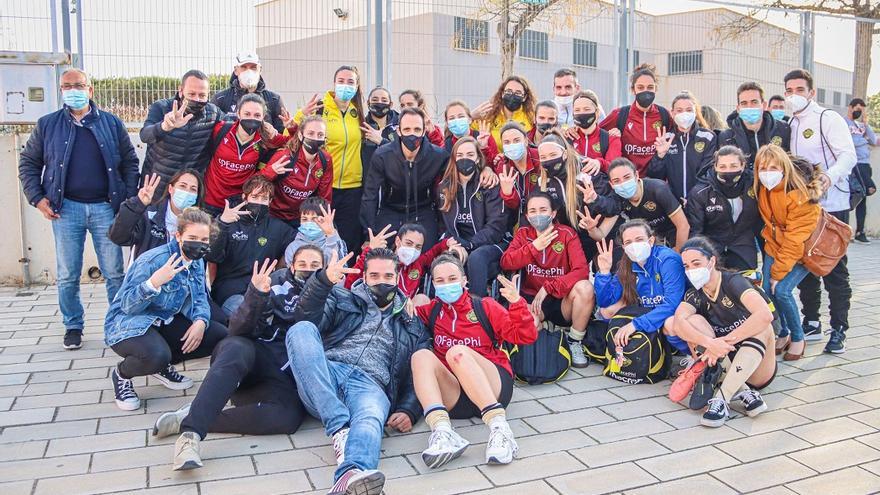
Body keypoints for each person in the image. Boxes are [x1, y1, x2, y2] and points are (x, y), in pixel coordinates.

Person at [152, 248, 347, 470]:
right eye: (302, 263)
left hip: (283, 377)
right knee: (236, 346)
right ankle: (191, 434)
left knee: (288, 418)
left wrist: (322, 284)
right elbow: (237, 329)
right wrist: (255, 295)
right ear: (292, 266)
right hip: (252, 357)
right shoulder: (274, 283)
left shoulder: (331, 295)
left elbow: (309, 319)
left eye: (315, 265)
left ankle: (194, 414)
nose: (309, 268)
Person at [284, 248, 430, 495]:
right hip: (327, 375)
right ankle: (339, 426)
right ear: (364, 276)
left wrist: (409, 409)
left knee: (371, 416)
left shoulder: (411, 320)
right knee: (301, 330)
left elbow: (420, 367)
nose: (381, 282)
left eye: (387, 276)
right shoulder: (343, 298)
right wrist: (322, 282)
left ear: (397, 278)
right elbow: (306, 314)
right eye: (374, 276)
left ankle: (352, 476)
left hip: (371, 384)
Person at [18, 68, 139, 350]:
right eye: (67, 86)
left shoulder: (111, 123)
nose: (74, 90)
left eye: (79, 85)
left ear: (90, 90)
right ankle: (73, 326)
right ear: (61, 91)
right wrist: (37, 198)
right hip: (65, 209)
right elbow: (28, 163)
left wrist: (127, 201)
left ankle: (118, 323)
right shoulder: (47, 125)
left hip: (105, 209)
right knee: (68, 273)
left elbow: (130, 163)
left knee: (114, 272)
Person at [412, 255, 537, 467]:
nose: (447, 284)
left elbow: (526, 336)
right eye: (440, 281)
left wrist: (517, 303)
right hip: (456, 396)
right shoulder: (431, 311)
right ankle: (443, 432)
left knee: (457, 352)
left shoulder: (484, 306)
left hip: (493, 387)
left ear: (464, 280)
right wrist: (406, 301)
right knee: (420, 356)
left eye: (452, 278)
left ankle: (501, 430)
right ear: (433, 285)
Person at [104, 208, 228, 411]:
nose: (199, 243)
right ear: (178, 236)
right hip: (127, 325)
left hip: (162, 321)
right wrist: (153, 283)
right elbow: (127, 306)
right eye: (192, 237)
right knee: (156, 355)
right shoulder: (153, 260)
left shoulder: (196, 261)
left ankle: (161, 367)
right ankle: (123, 375)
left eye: (204, 239)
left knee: (217, 334)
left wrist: (200, 321)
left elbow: (199, 298)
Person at [667, 237, 776, 427]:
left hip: (757, 366)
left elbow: (765, 315)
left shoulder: (734, 281)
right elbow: (677, 323)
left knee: (763, 327)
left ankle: (722, 400)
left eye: (696, 263)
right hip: (725, 361)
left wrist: (724, 342)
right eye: (686, 266)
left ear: (712, 262)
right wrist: (710, 344)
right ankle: (742, 391)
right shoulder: (696, 292)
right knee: (691, 321)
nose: (691, 270)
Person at [786, 68, 858, 353]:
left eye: (799, 90)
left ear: (811, 93)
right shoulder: (789, 123)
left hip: (832, 207)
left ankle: (839, 328)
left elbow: (848, 155)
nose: (794, 95)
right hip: (802, 208)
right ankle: (812, 321)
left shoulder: (827, 118)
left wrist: (829, 177)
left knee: (834, 269)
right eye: (789, 90)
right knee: (806, 266)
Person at [500, 192, 595, 368]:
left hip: (562, 300)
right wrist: (533, 248)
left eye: (543, 210)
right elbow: (506, 262)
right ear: (527, 216)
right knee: (530, 327)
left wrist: (549, 288)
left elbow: (581, 270)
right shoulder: (523, 234)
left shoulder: (567, 234)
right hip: (533, 301)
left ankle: (575, 341)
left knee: (585, 287)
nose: (538, 215)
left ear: (552, 213)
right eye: (533, 211)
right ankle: (545, 327)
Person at [755, 145, 821, 360]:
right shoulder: (764, 189)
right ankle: (782, 333)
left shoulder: (799, 195)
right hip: (775, 246)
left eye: (773, 167)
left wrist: (778, 273)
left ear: (785, 168)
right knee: (766, 290)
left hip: (803, 251)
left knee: (781, 290)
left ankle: (798, 337)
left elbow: (795, 240)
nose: (767, 172)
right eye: (763, 167)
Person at [293, 65, 366, 253]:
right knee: (320, 236)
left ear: (357, 86)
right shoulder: (321, 108)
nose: (345, 85)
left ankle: (346, 280)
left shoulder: (357, 113)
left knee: (349, 239)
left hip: (353, 188)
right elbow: (291, 135)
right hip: (324, 185)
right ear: (334, 84)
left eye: (350, 82)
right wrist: (301, 115)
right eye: (341, 81)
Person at [593, 219, 690, 356]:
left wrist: (635, 325)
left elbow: (672, 303)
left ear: (650, 241)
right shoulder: (627, 263)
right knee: (606, 310)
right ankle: (647, 346)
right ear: (624, 248)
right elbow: (604, 301)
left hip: (673, 313)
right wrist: (604, 273)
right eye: (628, 242)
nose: (634, 246)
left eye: (639, 239)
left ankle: (690, 354)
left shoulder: (667, 259)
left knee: (670, 323)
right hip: (648, 311)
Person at [207, 175, 296, 317]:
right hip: (230, 290)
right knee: (244, 313)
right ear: (245, 197)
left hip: (263, 289)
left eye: (264, 199)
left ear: (270, 201)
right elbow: (211, 255)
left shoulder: (278, 228)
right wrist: (222, 224)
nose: (259, 202)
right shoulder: (229, 222)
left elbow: (302, 244)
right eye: (255, 197)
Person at [361, 107, 448, 247]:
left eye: (417, 129)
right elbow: (370, 196)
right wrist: (368, 234)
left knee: (427, 252)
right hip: (391, 209)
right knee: (384, 251)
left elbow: (448, 190)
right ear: (398, 131)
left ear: (424, 131)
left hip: (423, 210)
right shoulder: (382, 156)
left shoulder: (438, 156)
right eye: (407, 129)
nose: (412, 135)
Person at [436, 137, 508, 296]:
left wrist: (469, 245)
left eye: (470, 154)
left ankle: (477, 310)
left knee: (476, 258)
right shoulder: (444, 188)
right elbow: (442, 225)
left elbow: (496, 227)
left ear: (477, 158)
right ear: (454, 158)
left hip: (491, 243)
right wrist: (453, 244)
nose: (464, 158)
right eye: (460, 155)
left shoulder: (489, 184)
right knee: (446, 258)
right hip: (459, 242)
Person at [140, 69, 223, 200]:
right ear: (181, 91)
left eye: (202, 95)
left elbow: (232, 130)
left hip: (189, 190)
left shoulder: (213, 113)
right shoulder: (161, 108)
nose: (197, 99)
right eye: (191, 94)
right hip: (157, 187)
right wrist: (165, 126)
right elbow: (145, 135)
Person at [202, 93, 287, 216]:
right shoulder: (221, 130)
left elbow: (291, 141)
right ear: (238, 114)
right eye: (247, 114)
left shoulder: (265, 137)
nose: (252, 118)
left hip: (240, 204)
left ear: (263, 117)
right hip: (210, 202)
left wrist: (292, 126)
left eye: (257, 115)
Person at [685, 146, 761, 271]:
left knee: (744, 284)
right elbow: (695, 231)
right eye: (722, 167)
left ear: (743, 165)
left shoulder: (755, 184)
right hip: (712, 246)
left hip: (743, 245)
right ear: (715, 167)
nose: (728, 170)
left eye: (733, 166)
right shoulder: (701, 192)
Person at [346, 224, 457, 304]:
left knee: (422, 299)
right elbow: (350, 283)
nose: (413, 249)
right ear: (398, 241)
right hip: (379, 308)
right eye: (409, 243)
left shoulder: (418, 262)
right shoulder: (382, 260)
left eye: (418, 247)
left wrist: (446, 243)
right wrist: (368, 250)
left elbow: (434, 251)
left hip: (406, 312)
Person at [109, 170, 203, 262]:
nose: (187, 192)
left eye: (193, 189)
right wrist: (138, 203)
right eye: (182, 186)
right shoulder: (149, 217)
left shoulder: (199, 225)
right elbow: (118, 237)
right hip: (146, 276)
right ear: (171, 189)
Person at [599, 64, 670, 176]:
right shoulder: (619, 114)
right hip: (628, 180)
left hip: (655, 180)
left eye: (650, 87)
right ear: (633, 90)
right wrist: (575, 130)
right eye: (640, 88)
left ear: (656, 89)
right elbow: (594, 133)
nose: (646, 92)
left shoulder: (664, 115)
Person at [262, 115, 333, 227]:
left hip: (301, 218)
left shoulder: (326, 159)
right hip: (274, 216)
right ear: (300, 135)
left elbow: (324, 196)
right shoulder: (285, 156)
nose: (315, 138)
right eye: (310, 134)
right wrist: (270, 172)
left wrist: (323, 220)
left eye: (320, 135)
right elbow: (256, 182)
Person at [647, 91, 717, 201]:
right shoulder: (666, 138)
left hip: (700, 201)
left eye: (689, 110)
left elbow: (709, 173)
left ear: (695, 112)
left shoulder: (708, 137)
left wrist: (693, 198)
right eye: (679, 110)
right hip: (673, 204)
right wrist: (660, 156)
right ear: (672, 113)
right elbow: (655, 177)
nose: (684, 114)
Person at [608, 158, 690, 250]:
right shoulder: (618, 197)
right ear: (611, 184)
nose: (623, 183)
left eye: (627, 177)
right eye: (616, 181)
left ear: (636, 175)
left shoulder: (658, 189)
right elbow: (601, 233)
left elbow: (683, 225)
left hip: (674, 234)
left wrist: (677, 254)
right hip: (647, 239)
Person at [718, 82, 791, 168]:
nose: (749, 107)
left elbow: (790, 162)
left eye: (754, 102)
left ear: (764, 105)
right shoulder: (727, 137)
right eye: (744, 103)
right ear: (738, 108)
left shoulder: (783, 129)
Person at [211, 52, 285, 132]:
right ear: (236, 70)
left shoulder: (274, 99)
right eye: (244, 67)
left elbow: (282, 135)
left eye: (253, 67)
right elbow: (212, 133)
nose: (249, 72)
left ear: (260, 70)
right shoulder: (220, 99)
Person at [472, 76, 537, 153]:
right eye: (509, 91)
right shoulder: (489, 116)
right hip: (494, 162)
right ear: (502, 93)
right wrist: (471, 116)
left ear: (524, 97)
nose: (512, 95)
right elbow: (463, 131)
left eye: (518, 93)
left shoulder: (531, 117)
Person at [845, 97, 878, 243]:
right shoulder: (844, 123)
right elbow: (849, 142)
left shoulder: (862, 125)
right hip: (853, 164)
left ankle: (860, 231)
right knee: (869, 189)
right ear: (851, 108)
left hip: (865, 164)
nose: (859, 112)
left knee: (862, 197)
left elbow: (874, 140)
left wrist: (865, 123)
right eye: (858, 110)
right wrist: (862, 140)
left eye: (862, 111)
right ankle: (845, 230)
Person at [496, 122, 542, 226]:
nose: (512, 145)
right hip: (517, 220)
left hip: (542, 215)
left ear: (526, 141)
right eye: (507, 142)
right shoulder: (502, 166)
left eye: (516, 140)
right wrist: (508, 194)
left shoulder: (540, 157)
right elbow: (513, 206)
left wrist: (587, 161)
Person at [283, 196, 349, 266]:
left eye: (314, 219)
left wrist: (331, 236)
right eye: (304, 219)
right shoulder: (293, 247)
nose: (309, 223)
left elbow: (340, 267)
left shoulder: (336, 243)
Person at [568, 91, 622, 172]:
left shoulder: (611, 139)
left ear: (597, 112)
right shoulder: (567, 137)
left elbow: (614, 168)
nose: (582, 113)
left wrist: (599, 163)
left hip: (600, 184)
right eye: (577, 110)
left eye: (587, 109)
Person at [443, 100, 498, 165]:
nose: (457, 120)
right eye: (452, 118)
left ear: (469, 119)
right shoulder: (446, 146)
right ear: (447, 123)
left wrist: (484, 148)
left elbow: (495, 164)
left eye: (461, 117)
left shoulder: (484, 137)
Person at [360, 86, 399, 171]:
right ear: (368, 103)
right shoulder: (362, 126)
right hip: (370, 181)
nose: (379, 103)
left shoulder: (401, 125)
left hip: (396, 180)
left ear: (391, 104)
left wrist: (381, 141)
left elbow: (404, 153)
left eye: (384, 100)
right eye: (375, 100)